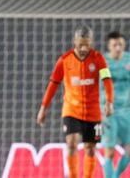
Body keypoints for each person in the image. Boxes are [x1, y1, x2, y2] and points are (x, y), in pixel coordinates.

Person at [37, 25, 114, 178]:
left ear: (91, 42)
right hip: (71, 110)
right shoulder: (64, 60)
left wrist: (109, 102)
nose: (84, 48)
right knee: (71, 143)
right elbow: (53, 84)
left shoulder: (98, 59)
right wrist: (43, 108)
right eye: (80, 44)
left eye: (87, 44)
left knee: (90, 148)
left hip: (93, 112)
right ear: (75, 41)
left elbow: (107, 80)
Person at [101, 32, 130, 178]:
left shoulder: (129, 60)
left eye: (121, 45)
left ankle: (115, 176)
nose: (118, 48)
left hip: (127, 111)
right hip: (108, 112)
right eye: (115, 45)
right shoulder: (102, 62)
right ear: (109, 46)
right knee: (110, 151)